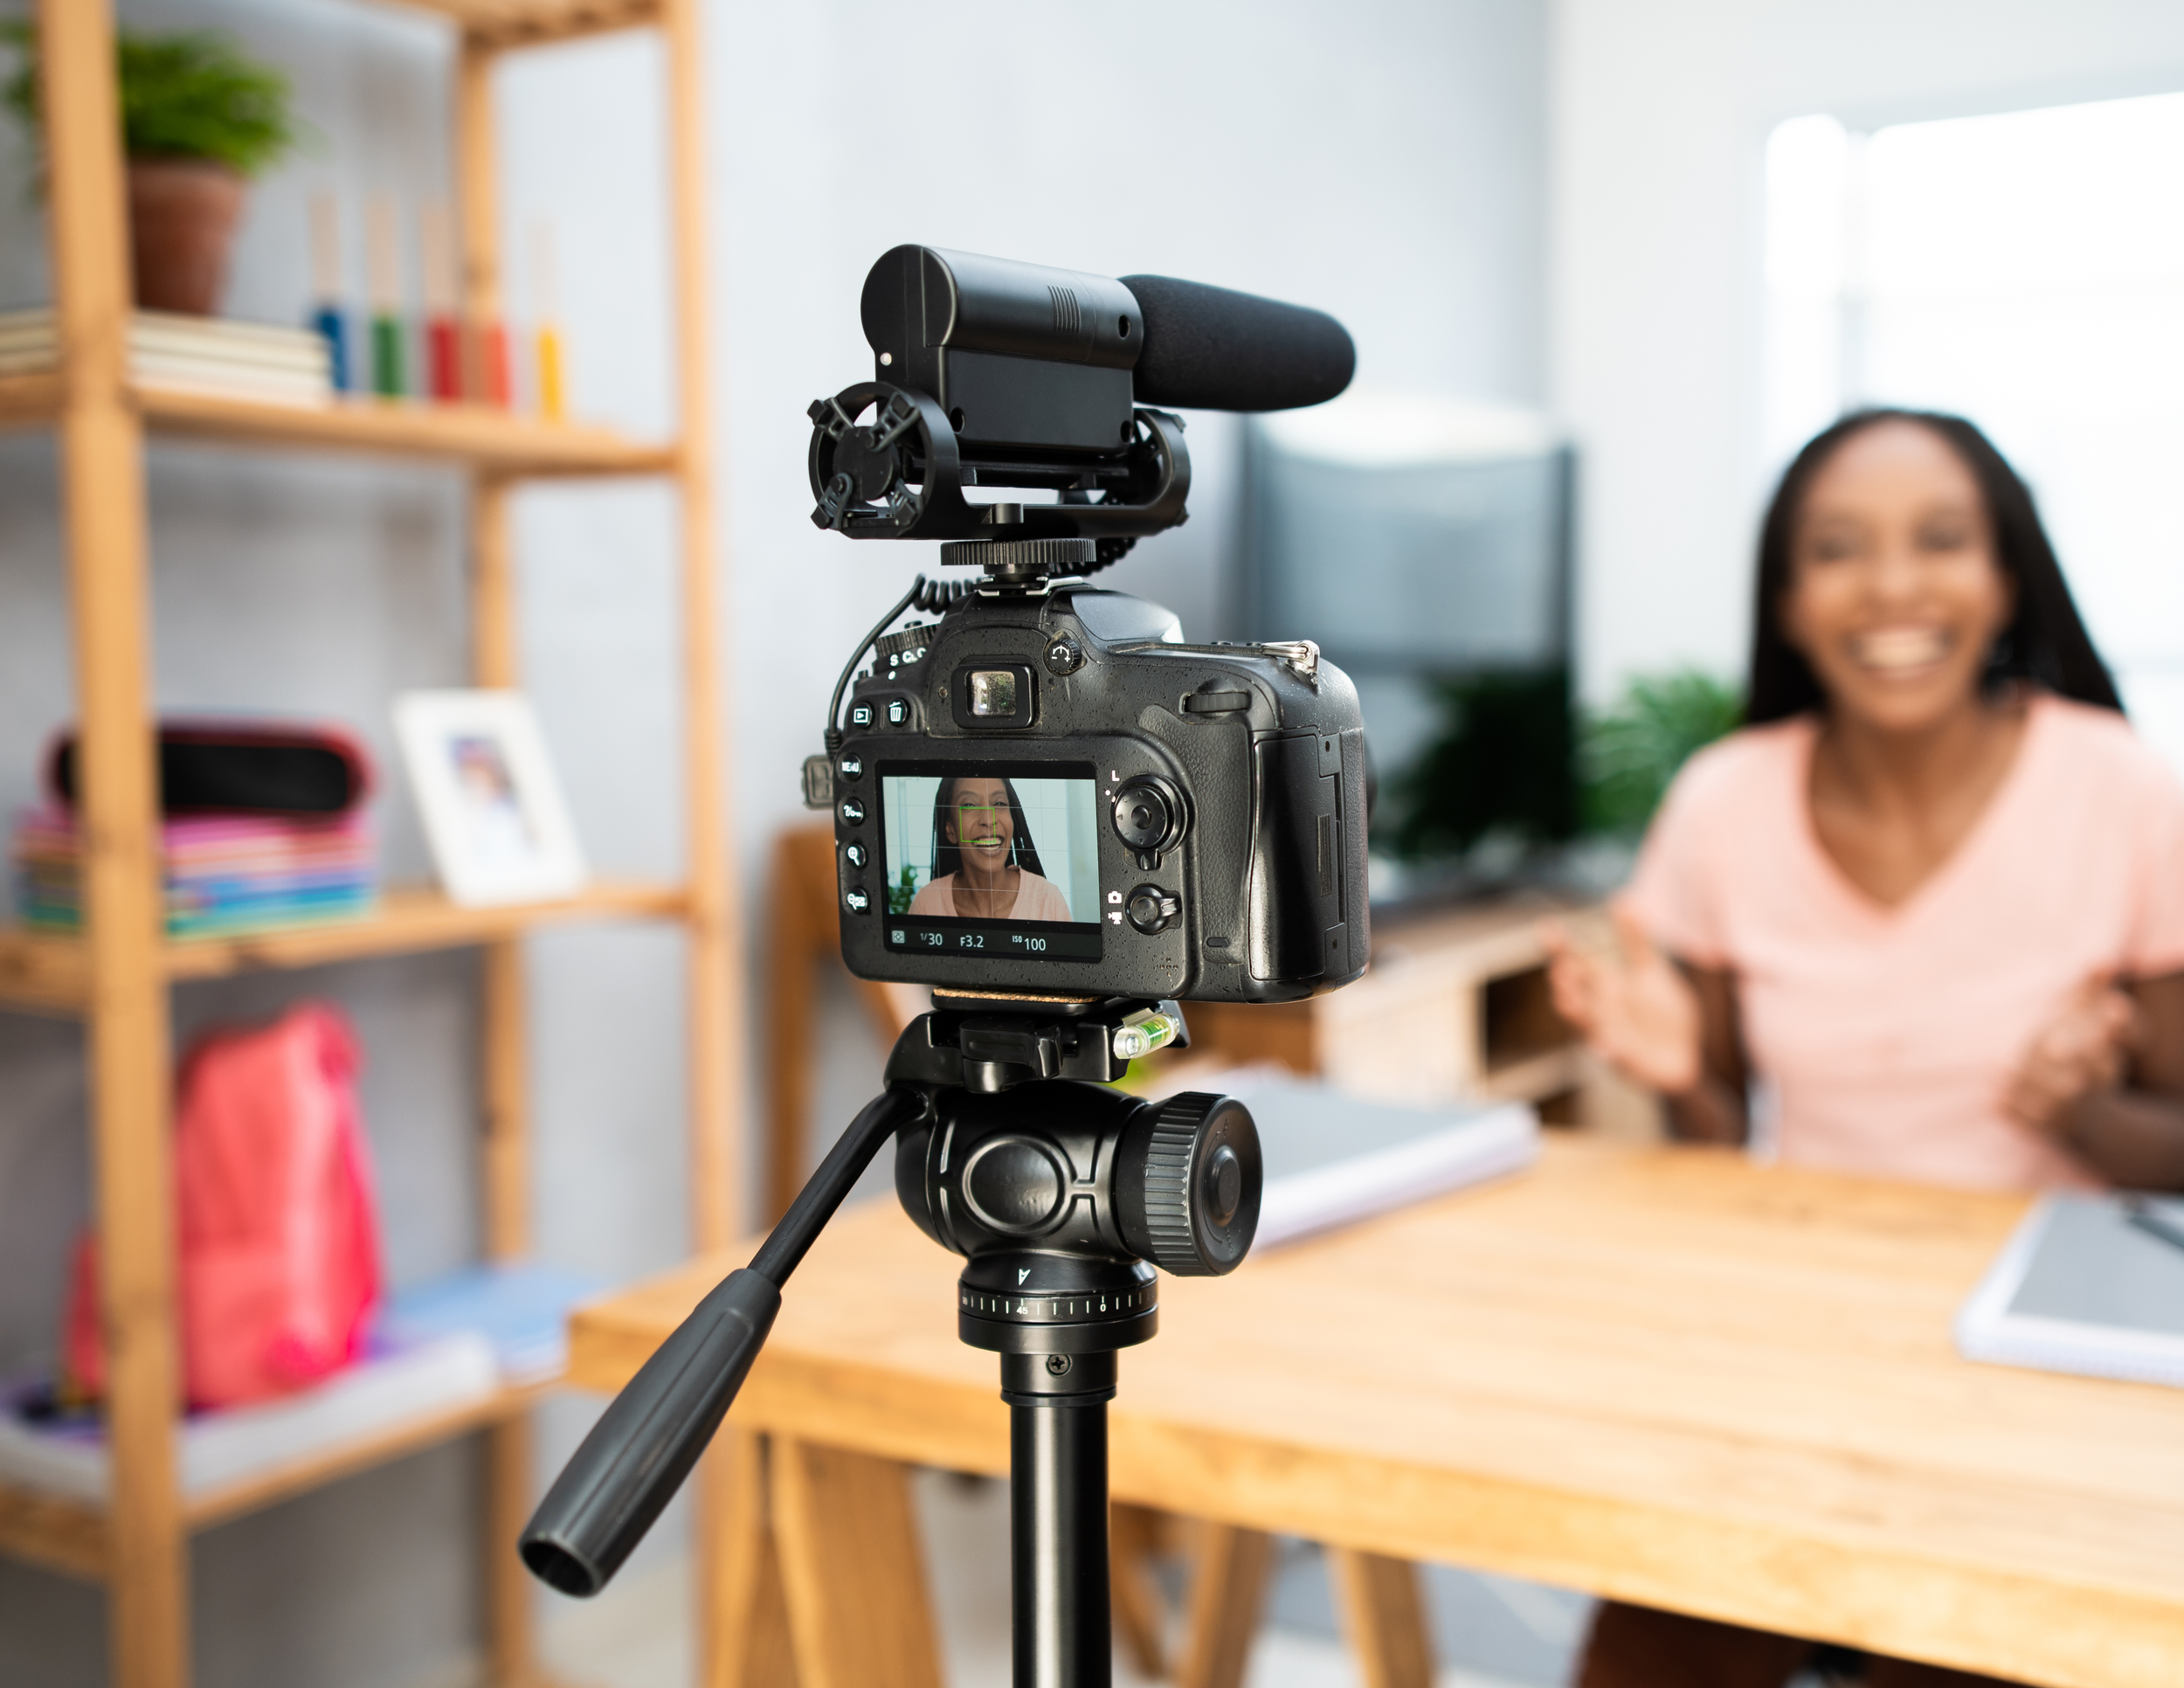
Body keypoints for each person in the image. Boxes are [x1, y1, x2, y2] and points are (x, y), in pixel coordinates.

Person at [1545, 409, 2184, 1688]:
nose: (1894, 585)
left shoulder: (2119, 787)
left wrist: (2085, 1115)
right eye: (1840, 549)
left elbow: (2175, 1162)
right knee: (1645, 1654)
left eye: (1941, 540)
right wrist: (1685, 1081)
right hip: (1807, 1347)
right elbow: (1723, 1144)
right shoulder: (1725, 800)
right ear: (1789, 601)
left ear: (2007, 578)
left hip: (2049, 1377)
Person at [907, 774, 1074, 922]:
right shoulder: (926, 902)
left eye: (999, 803)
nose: (988, 819)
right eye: (970, 805)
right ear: (951, 830)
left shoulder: (1049, 900)